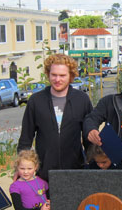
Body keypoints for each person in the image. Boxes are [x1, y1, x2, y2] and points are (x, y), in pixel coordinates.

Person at [18, 53, 92, 181]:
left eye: (62, 75)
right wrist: (20, 167)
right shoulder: (36, 101)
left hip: (75, 171)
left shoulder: (82, 99)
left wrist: (92, 164)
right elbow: (26, 138)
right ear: (48, 74)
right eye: (54, 75)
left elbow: (88, 138)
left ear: (71, 76)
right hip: (44, 172)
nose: (58, 79)